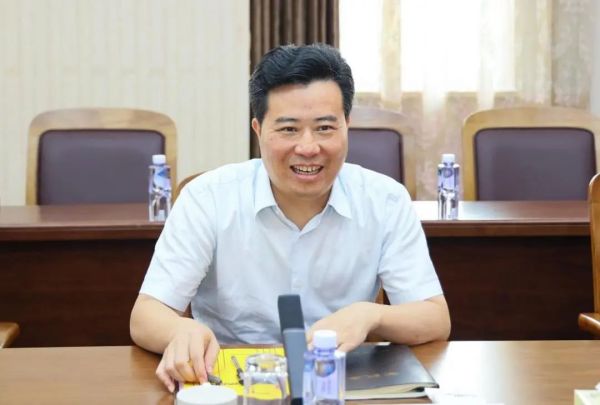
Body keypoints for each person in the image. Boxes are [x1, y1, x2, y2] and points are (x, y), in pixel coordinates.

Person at [130, 43, 451, 392]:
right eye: (288, 129)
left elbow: (435, 318)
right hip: (229, 384)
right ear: (258, 130)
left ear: (347, 125)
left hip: (339, 385)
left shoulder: (385, 200)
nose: (308, 147)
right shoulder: (208, 198)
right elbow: (146, 314)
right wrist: (181, 330)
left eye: (325, 128)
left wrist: (370, 315)